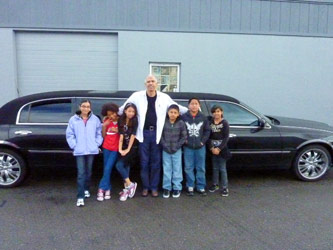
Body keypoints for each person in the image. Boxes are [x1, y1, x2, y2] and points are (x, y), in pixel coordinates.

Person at [119, 74, 187, 197]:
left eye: (153, 81)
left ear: (157, 84)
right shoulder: (136, 96)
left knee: (156, 162)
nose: (151, 83)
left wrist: (193, 111)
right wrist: (111, 117)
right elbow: (123, 109)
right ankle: (146, 187)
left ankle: (154, 188)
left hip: (157, 134)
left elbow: (178, 108)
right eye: (148, 81)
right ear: (145, 84)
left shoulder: (164, 97)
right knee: (144, 162)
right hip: (143, 134)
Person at [66, 100, 103, 207]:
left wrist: (96, 144)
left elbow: (99, 133)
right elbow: (69, 134)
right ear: (80, 107)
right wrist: (74, 145)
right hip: (79, 151)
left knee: (89, 171)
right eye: (83, 106)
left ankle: (86, 189)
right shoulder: (73, 119)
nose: (85, 108)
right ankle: (80, 197)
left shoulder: (95, 119)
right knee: (81, 174)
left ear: (90, 108)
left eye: (87, 106)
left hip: (91, 149)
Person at [182, 97, 210, 196]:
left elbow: (207, 131)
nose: (194, 105)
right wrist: (185, 140)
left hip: (200, 147)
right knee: (188, 167)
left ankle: (201, 186)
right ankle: (190, 186)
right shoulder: (184, 117)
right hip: (188, 147)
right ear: (188, 105)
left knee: (200, 167)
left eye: (196, 104)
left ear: (199, 105)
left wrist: (202, 142)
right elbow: (181, 130)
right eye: (192, 103)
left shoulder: (203, 117)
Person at [160, 104, 187, 198]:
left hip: (177, 150)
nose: (173, 114)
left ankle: (177, 187)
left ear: (178, 114)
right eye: (171, 112)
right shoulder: (164, 122)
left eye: (175, 112)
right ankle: (167, 188)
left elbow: (184, 137)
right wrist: (165, 146)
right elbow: (160, 136)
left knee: (177, 169)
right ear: (168, 113)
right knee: (167, 169)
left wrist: (177, 146)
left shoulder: (181, 123)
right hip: (165, 150)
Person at [96, 103, 120, 202]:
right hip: (106, 147)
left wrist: (118, 130)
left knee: (108, 167)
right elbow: (104, 136)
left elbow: (124, 133)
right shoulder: (106, 121)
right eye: (109, 114)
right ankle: (108, 188)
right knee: (106, 168)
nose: (111, 116)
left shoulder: (120, 121)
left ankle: (101, 188)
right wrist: (104, 126)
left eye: (113, 114)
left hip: (115, 148)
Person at [116, 103, 139, 201]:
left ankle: (130, 185)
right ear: (125, 111)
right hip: (123, 147)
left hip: (132, 148)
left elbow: (133, 136)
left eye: (133, 112)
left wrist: (128, 150)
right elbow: (121, 135)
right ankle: (126, 190)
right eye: (129, 111)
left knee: (119, 165)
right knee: (125, 168)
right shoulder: (121, 120)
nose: (131, 113)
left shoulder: (135, 120)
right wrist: (120, 149)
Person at [208, 105, 231, 197]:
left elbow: (226, 137)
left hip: (222, 149)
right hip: (212, 148)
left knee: (222, 168)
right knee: (215, 168)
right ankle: (215, 184)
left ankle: (225, 187)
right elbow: (208, 136)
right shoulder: (210, 123)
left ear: (221, 112)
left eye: (218, 111)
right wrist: (212, 148)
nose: (216, 113)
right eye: (214, 112)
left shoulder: (224, 123)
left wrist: (219, 148)